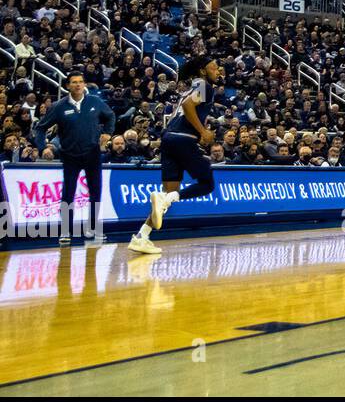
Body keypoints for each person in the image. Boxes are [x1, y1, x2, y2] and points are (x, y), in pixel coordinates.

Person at [129, 56, 221, 255]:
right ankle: (166, 200)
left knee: (166, 197)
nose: (219, 71)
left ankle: (141, 236)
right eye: (214, 68)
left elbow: (181, 110)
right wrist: (203, 131)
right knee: (207, 184)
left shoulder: (191, 86)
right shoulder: (205, 86)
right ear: (203, 71)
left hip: (168, 139)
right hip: (184, 139)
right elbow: (188, 106)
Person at [32, 71, 116, 244]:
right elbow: (40, 128)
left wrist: (107, 133)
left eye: (81, 81)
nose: (78, 84)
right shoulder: (59, 106)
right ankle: (65, 230)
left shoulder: (95, 101)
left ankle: (92, 228)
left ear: (84, 84)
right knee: (68, 193)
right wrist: (43, 147)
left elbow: (110, 116)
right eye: (74, 82)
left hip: (92, 153)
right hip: (69, 154)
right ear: (68, 85)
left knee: (96, 192)